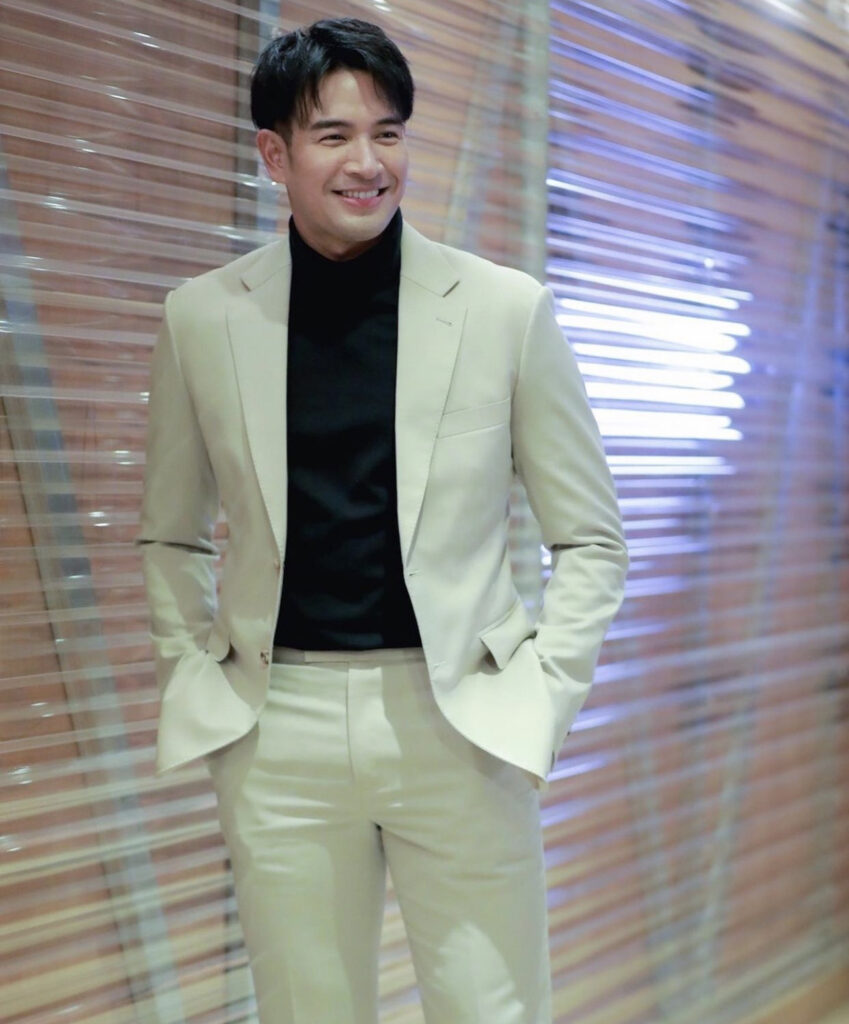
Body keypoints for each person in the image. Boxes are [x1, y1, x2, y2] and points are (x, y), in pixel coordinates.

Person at [138, 17, 628, 1024]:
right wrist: (198, 677)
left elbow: (589, 537)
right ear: (274, 153)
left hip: (461, 724)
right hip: (279, 728)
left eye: (388, 133)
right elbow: (172, 533)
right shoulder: (202, 317)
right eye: (334, 136)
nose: (369, 163)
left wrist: (540, 696)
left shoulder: (503, 309)